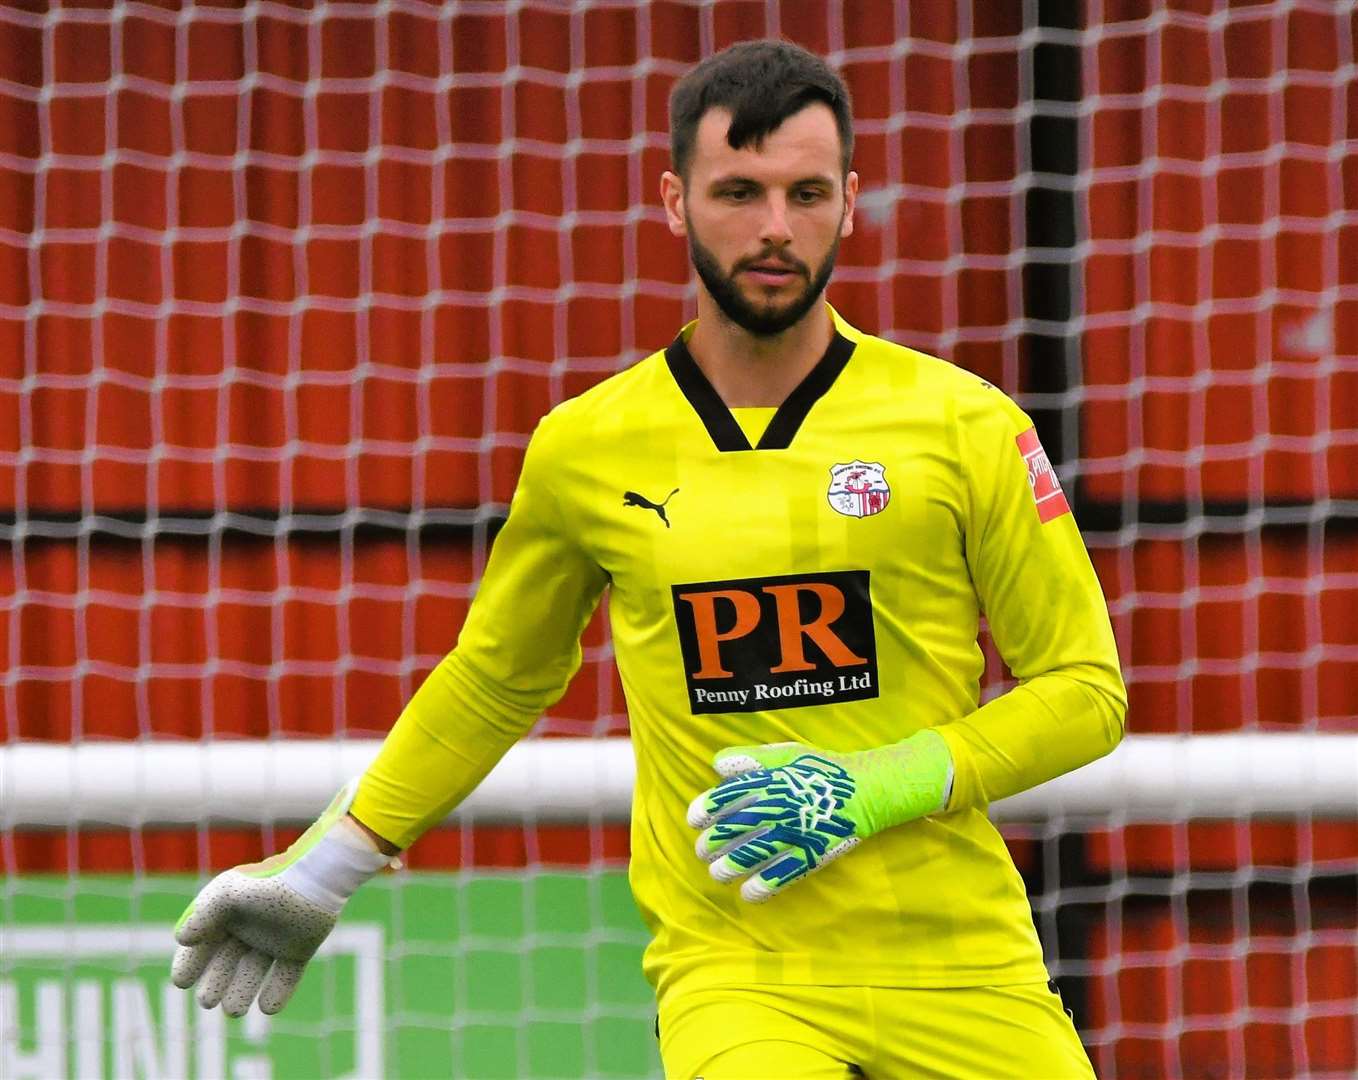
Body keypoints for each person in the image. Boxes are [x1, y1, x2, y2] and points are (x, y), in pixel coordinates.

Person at [171, 39, 1125, 1078]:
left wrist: (871, 787)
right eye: (737, 192)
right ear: (672, 200)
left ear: (850, 202)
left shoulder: (964, 423)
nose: (774, 228)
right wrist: (328, 868)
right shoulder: (587, 445)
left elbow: (1082, 689)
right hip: (735, 974)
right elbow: (496, 677)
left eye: (806, 193)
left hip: (963, 967)